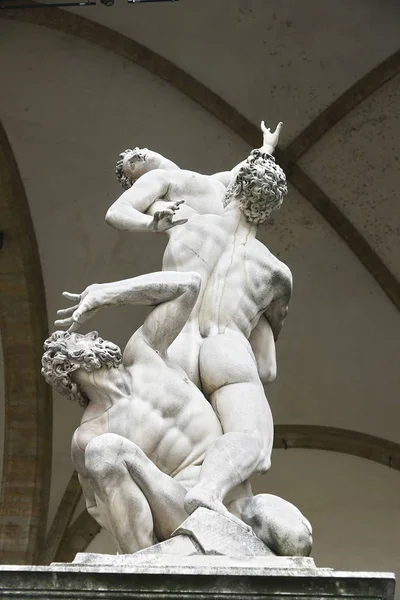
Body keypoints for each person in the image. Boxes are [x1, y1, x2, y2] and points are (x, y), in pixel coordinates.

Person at [42, 271, 311, 556]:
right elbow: (102, 507)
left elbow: (188, 286)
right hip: (178, 507)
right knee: (104, 451)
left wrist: (106, 292)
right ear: (65, 374)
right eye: (76, 342)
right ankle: (141, 566)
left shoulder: (145, 353)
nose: (90, 338)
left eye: (86, 336)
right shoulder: (91, 433)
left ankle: (209, 491)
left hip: (236, 503)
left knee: (295, 539)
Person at [105, 122, 291, 518]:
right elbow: (268, 368)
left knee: (172, 442)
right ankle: (209, 492)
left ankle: (167, 510)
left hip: (175, 343)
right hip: (229, 348)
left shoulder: (188, 220)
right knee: (249, 440)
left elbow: (132, 209)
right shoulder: (277, 273)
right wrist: (265, 150)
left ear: (231, 191)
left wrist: (151, 222)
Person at [108, 121, 280, 387]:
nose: (140, 155)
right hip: (205, 266)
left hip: (235, 265)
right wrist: (149, 224)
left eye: (138, 152)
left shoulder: (212, 181)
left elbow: (248, 173)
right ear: (135, 179)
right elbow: (116, 213)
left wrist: (267, 147)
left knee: (264, 362)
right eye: (134, 163)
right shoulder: (160, 182)